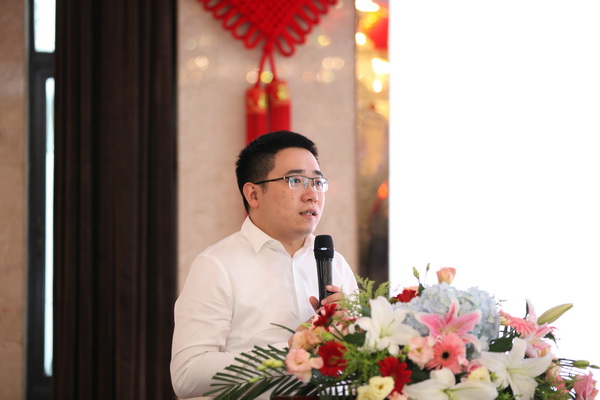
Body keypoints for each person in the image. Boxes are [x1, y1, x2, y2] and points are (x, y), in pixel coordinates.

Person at [170, 130, 358, 399]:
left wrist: (353, 337)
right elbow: (187, 375)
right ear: (253, 194)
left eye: (318, 182)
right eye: (295, 181)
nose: (312, 195)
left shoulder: (336, 263)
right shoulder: (216, 266)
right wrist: (290, 351)